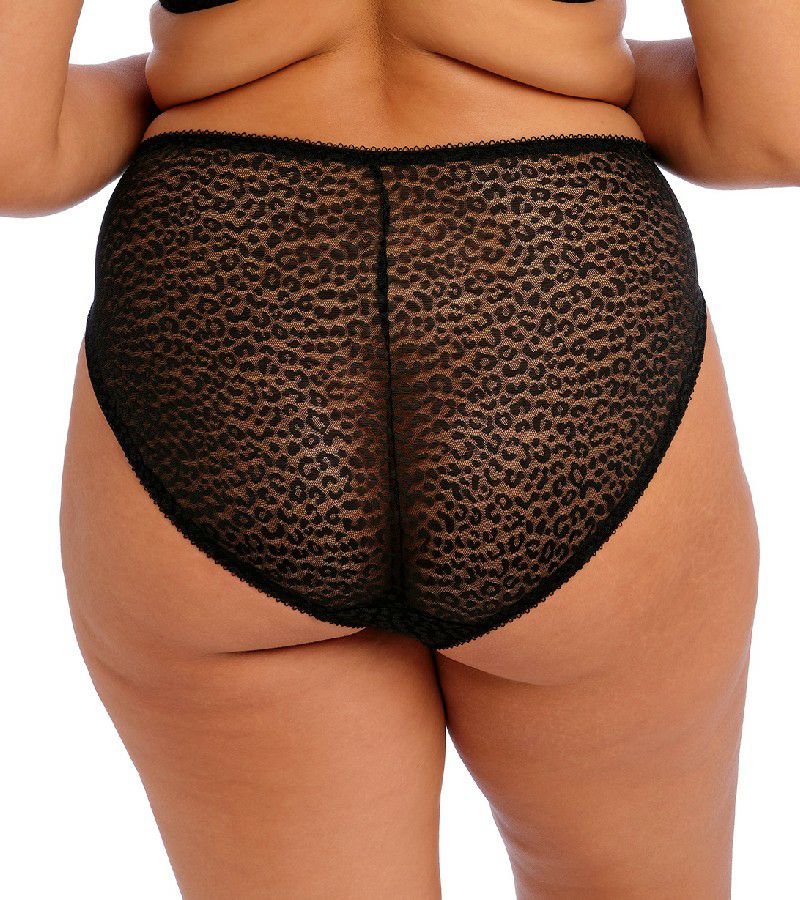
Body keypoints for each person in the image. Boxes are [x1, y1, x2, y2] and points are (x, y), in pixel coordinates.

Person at [1, 2, 796, 897]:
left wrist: (183, 87)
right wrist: (571, 71)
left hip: (228, 323)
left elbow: (13, 151)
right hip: (555, 308)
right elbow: (772, 125)